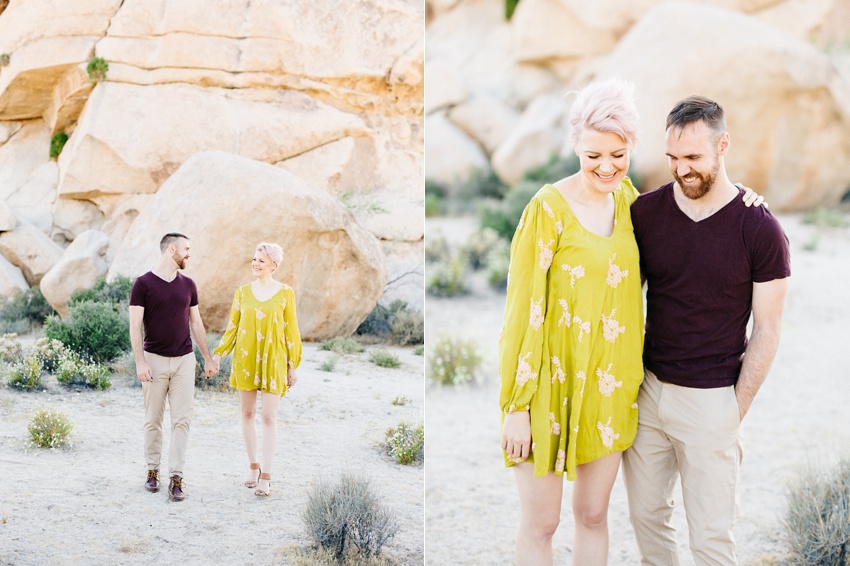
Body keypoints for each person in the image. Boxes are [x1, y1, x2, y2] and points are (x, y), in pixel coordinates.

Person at [622, 96, 791, 565]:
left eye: (693, 158)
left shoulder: (760, 229)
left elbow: (768, 329)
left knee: (712, 541)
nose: (681, 170)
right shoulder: (645, 214)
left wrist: (733, 410)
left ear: (723, 146)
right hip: (649, 395)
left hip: (713, 399)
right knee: (647, 521)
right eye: (673, 158)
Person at [498, 78, 645, 565]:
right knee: (541, 525)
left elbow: (691, 229)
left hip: (608, 385)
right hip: (545, 386)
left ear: (631, 148)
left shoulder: (630, 203)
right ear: (576, 146)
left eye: (618, 154)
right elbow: (520, 310)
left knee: (594, 517)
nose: (607, 167)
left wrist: (747, 202)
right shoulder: (547, 209)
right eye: (593, 155)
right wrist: (516, 407)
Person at [129, 232, 218, 502]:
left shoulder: (188, 284)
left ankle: (176, 477)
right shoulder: (143, 284)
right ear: (171, 250)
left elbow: (197, 324)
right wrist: (140, 362)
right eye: (186, 249)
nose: (189, 253)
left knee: (182, 420)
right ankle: (152, 471)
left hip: (184, 360)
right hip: (153, 360)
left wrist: (208, 357)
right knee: (153, 420)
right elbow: (135, 326)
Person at [212, 242, 302, 497]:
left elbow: (291, 329)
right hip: (246, 357)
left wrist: (292, 365)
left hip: (274, 360)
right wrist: (219, 354)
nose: (255, 264)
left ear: (274, 264)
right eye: (254, 259)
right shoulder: (242, 292)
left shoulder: (285, 293)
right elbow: (233, 327)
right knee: (248, 413)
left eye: (261, 260)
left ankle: (266, 476)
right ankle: (253, 466)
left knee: (269, 417)